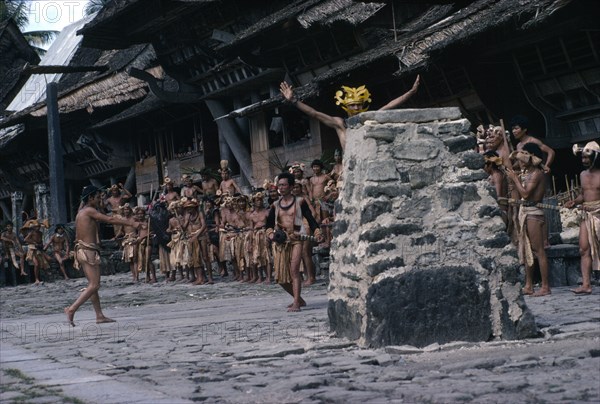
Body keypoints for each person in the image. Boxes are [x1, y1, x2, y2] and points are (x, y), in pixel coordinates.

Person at [65, 185, 140, 327]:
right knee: (94, 285)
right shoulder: (88, 211)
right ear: (91, 198)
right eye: (98, 197)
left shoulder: (81, 212)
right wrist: (131, 222)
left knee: (93, 286)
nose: (101, 200)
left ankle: (99, 315)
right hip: (87, 251)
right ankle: (72, 309)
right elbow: (110, 220)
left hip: (83, 250)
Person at [280, 76, 419, 150]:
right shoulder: (340, 123)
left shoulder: (367, 118)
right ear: (346, 106)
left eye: (359, 104)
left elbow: (389, 106)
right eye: (353, 105)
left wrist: (410, 93)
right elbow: (314, 113)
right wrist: (293, 100)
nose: (357, 107)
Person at [266, 172, 323, 312]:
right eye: (279, 185)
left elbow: (310, 219)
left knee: (294, 271)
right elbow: (267, 225)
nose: (281, 187)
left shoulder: (300, 202)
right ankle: (300, 299)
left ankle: (296, 302)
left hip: (297, 240)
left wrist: (317, 232)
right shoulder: (275, 205)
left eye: (284, 185)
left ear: (291, 186)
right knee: (280, 278)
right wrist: (271, 234)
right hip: (281, 242)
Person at [506, 143, 551, 297]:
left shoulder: (537, 173)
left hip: (534, 214)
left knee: (539, 251)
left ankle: (545, 286)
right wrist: (514, 178)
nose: (521, 157)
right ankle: (529, 285)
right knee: (527, 250)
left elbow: (525, 195)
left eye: (525, 154)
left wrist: (515, 179)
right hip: (525, 212)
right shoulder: (527, 172)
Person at [566, 141, 600, 295]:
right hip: (586, 215)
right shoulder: (582, 175)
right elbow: (583, 194)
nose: (584, 161)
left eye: (587, 158)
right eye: (583, 158)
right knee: (583, 248)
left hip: (598, 213)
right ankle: (586, 284)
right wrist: (575, 201)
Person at [23, 220, 51, 285]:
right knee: (36, 264)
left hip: (39, 249)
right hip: (32, 249)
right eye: (36, 227)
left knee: (47, 260)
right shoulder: (31, 233)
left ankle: (45, 274)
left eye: (38, 227)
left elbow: (40, 240)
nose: (37, 228)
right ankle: (36, 279)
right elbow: (25, 239)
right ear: (34, 227)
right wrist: (34, 243)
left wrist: (41, 245)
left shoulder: (40, 233)